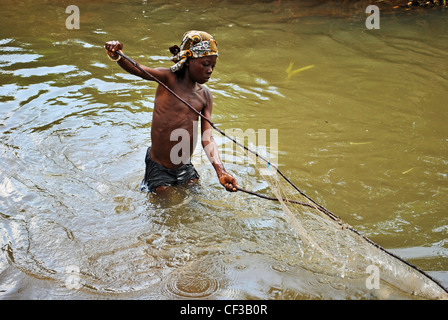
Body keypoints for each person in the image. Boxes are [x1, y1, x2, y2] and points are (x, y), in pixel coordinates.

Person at [105, 31, 238, 194]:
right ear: (188, 60)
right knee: (165, 204)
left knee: (195, 197)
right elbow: (138, 69)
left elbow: (207, 137)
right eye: (205, 64)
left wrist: (221, 171)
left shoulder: (205, 96)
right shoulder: (168, 79)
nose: (210, 70)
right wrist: (118, 56)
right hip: (159, 167)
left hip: (184, 165)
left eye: (213, 66)